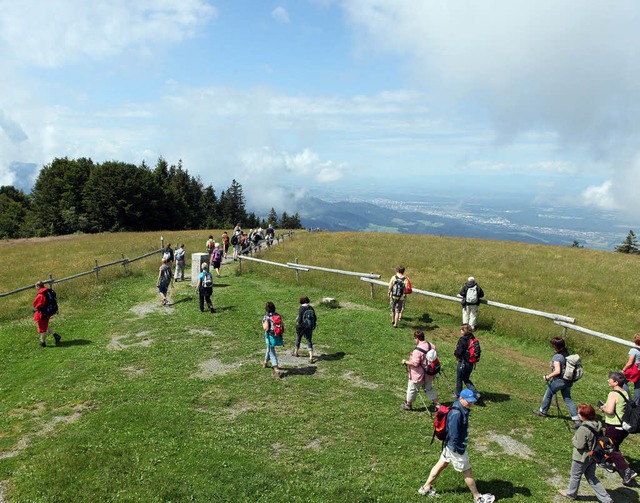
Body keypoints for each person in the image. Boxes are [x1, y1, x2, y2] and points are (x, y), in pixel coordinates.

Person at [418, 389, 495, 503]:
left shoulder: (461, 407)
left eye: (472, 401)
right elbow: (454, 434)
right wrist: (459, 450)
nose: (470, 403)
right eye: (468, 401)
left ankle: (425, 488)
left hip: (450, 446)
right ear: (461, 398)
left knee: (441, 464)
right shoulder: (456, 413)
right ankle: (478, 498)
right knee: (467, 471)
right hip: (456, 448)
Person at [558, 404, 613, 503]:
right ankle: (606, 498)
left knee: (575, 475)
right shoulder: (598, 424)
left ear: (585, 416)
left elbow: (580, 445)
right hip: (593, 456)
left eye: (579, 413)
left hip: (581, 457)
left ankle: (571, 493)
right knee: (592, 477)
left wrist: (573, 440)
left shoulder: (583, 428)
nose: (578, 415)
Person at [598, 371, 637, 485]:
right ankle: (608, 462)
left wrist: (602, 408)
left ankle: (627, 471)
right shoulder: (625, 392)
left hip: (614, 426)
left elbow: (610, 411)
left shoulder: (613, 394)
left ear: (615, 382)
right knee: (614, 445)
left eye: (609, 379)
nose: (608, 380)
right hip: (623, 426)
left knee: (611, 448)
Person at [532, 337, 580, 428]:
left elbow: (558, 371)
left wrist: (548, 376)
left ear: (555, 346)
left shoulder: (557, 356)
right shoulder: (567, 353)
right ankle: (576, 419)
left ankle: (543, 411)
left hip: (559, 380)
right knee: (568, 399)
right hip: (568, 380)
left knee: (548, 394)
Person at [401, 330, 440, 411]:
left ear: (417, 339)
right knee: (429, 388)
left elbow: (415, 363)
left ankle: (408, 405)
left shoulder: (417, 351)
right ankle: (436, 404)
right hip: (429, 372)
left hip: (418, 375)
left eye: (414, 339)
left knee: (412, 389)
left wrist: (405, 361)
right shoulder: (431, 345)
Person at [453, 324, 480, 400]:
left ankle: (458, 394)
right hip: (471, 363)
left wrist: (455, 354)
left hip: (463, 362)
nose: (460, 331)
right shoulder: (473, 338)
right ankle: (475, 393)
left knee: (459, 378)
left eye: (461, 330)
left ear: (464, 331)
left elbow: (459, 352)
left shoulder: (462, 340)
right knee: (466, 378)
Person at [32, 281, 61, 347]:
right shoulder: (48, 291)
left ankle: (43, 342)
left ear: (38, 286)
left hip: (42, 313)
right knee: (44, 325)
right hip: (48, 312)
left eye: (36, 286)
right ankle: (56, 335)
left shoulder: (41, 295)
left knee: (42, 329)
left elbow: (35, 304)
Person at [262, 301, 283, 378]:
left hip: (270, 336)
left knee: (272, 352)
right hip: (277, 335)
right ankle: (265, 362)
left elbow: (266, 328)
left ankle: (276, 371)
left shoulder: (266, 317)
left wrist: (263, 325)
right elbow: (282, 324)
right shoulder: (278, 315)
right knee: (269, 348)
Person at [293, 296, 316, 363]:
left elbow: (300, 319)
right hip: (309, 327)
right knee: (309, 341)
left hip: (301, 327)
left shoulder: (301, 308)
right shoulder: (311, 308)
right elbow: (315, 317)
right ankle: (311, 357)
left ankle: (296, 352)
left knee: (298, 339)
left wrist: (297, 322)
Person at [622, 332, 640, 403]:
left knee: (622, 381)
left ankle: (629, 399)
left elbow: (630, 362)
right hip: (639, 371)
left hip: (634, 370)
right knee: (638, 387)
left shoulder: (633, 350)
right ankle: (636, 403)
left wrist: (624, 369)